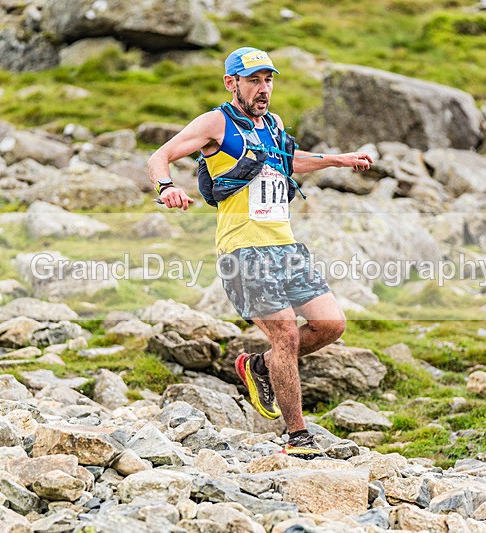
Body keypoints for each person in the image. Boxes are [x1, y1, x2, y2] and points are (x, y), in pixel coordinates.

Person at [147, 47, 372, 459]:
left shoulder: (273, 124)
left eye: (268, 80)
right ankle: (298, 437)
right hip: (243, 249)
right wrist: (167, 188)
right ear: (232, 83)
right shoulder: (215, 122)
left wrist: (338, 160)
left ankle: (261, 366)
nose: (263, 89)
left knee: (332, 324)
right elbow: (159, 155)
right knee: (286, 332)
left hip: (285, 247)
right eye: (254, 80)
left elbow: (288, 161)